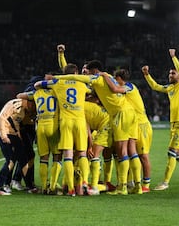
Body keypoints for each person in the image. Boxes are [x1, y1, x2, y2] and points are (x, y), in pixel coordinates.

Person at [52, 60, 139, 195]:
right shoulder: (108, 77)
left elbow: (75, 77)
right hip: (127, 112)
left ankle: (108, 186)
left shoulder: (97, 78)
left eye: (88, 71)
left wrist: (58, 78)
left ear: (93, 71)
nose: (86, 73)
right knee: (125, 151)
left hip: (117, 115)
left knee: (108, 152)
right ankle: (132, 183)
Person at [141, 49, 179, 190]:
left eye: (173, 73)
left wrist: (174, 57)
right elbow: (155, 86)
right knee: (178, 154)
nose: (170, 75)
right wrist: (146, 75)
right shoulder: (170, 88)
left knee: (171, 151)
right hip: (174, 123)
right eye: (169, 73)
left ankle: (165, 182)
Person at [35, 64, 90, 196]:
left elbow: (37, 84)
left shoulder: (57, 83)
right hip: (80, 121)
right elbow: (92, 92)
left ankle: (70, 189)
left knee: (68, 156)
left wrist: (52, 80)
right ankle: (85, 183)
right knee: (82, 153)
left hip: (65, 122)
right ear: (75, 72)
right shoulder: (82, 84)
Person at [101, 68, 153, 193]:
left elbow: (114, 89)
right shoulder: (126, 90)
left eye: (115, 78)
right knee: (131, 152)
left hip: (142, 125)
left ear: (119, 78)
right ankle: (133, 184)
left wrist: (104, 75)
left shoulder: (129, 87)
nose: (114, 81)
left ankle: (145, 184)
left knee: (143, 156)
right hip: (133, 122)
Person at [17, 74, 62, 195]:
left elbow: (19, 95)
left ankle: (43, 186)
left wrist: (34, 91)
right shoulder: (57, 91)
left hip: (41, 127)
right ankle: (52, 186)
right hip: (53, 126)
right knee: (57, 157)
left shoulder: (36, 93)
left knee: (44, 158)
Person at [0, 98, 34, 195]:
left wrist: (18, 136)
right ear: (30, 103)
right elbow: (1, 118)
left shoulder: (24, 109)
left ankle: (30, 186)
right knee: (10, 160)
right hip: (4, 133)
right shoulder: (15, 104)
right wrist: (4, 135)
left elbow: (15, 123)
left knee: (24, 159)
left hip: (14, 134)